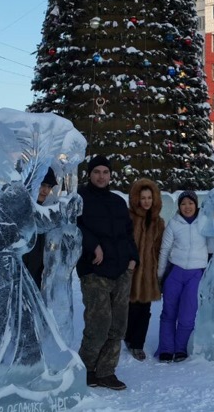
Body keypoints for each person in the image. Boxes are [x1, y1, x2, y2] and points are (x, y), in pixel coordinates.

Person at [76, 155, 139, 390]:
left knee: (118, 326)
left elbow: (128, 233)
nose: (101, 176)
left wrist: (133, 259)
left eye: (105, 172)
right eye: (97, 172)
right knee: (98, 323)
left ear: (110, 175)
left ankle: (106, 371)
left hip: (122, 270)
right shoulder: (80, 199)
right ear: (89, 174)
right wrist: (93, 245)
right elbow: (75, 226)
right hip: (94, 271)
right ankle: (86, 369)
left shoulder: (117, 201)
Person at [156, 191, 209, 363]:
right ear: (179, 206)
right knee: (168, 313)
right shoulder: (173, 224)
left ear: (196, 204)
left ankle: (180, 349)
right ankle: (165, 349)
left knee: (187, 315)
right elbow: (164, 251)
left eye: (190, 203)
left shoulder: (205, 223)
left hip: (196, 274)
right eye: (183, 204)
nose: (187, 207)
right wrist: (160, 275)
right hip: (175, 273)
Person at [123, 178, 165, 362]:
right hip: (130, 270)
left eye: (149, 197)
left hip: (148, 272)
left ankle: (138, 344)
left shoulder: (158, 222)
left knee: (145, 309)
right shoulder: (128, 218)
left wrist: (158, 270)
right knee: (130, 308)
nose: (146, 201)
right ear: (136, 199)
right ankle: (128, 337)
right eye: (143, 198)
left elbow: (160, 247)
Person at [21, 168, 58, 289]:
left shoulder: (47, 212)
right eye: (42, 185)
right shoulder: (20, 209)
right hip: (18, 280)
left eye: (49, 186)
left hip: (35, 279)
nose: (45, 190)